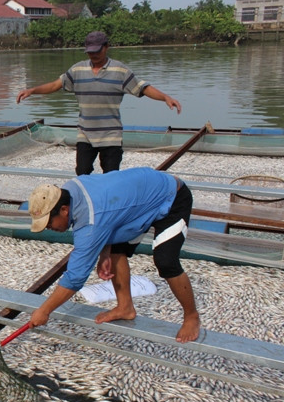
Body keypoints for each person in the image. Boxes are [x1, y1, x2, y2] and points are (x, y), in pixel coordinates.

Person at [26, 167, 201, 343]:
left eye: (49, 223)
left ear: (64, 210)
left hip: (171, 196)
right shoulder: (71, 189)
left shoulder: (90, 224)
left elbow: (75, 278)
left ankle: (192, 316)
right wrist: (105, 253)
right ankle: (125, 307)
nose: (49, 228)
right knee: (117, 249)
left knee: (166, 261)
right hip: (140, 198)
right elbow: (108, 214)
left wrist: (44, 311)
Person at [15, 31, 182, 175]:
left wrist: (165, 97)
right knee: (82, 172)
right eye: (90, 52)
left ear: (106, 47)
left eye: (97, 51)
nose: (93, 55)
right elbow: (54, 85)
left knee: (111, 176)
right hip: (86, 134)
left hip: (111, 135)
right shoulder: (78, 70)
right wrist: (32, 90)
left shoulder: (120, 71)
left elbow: (143, 88)